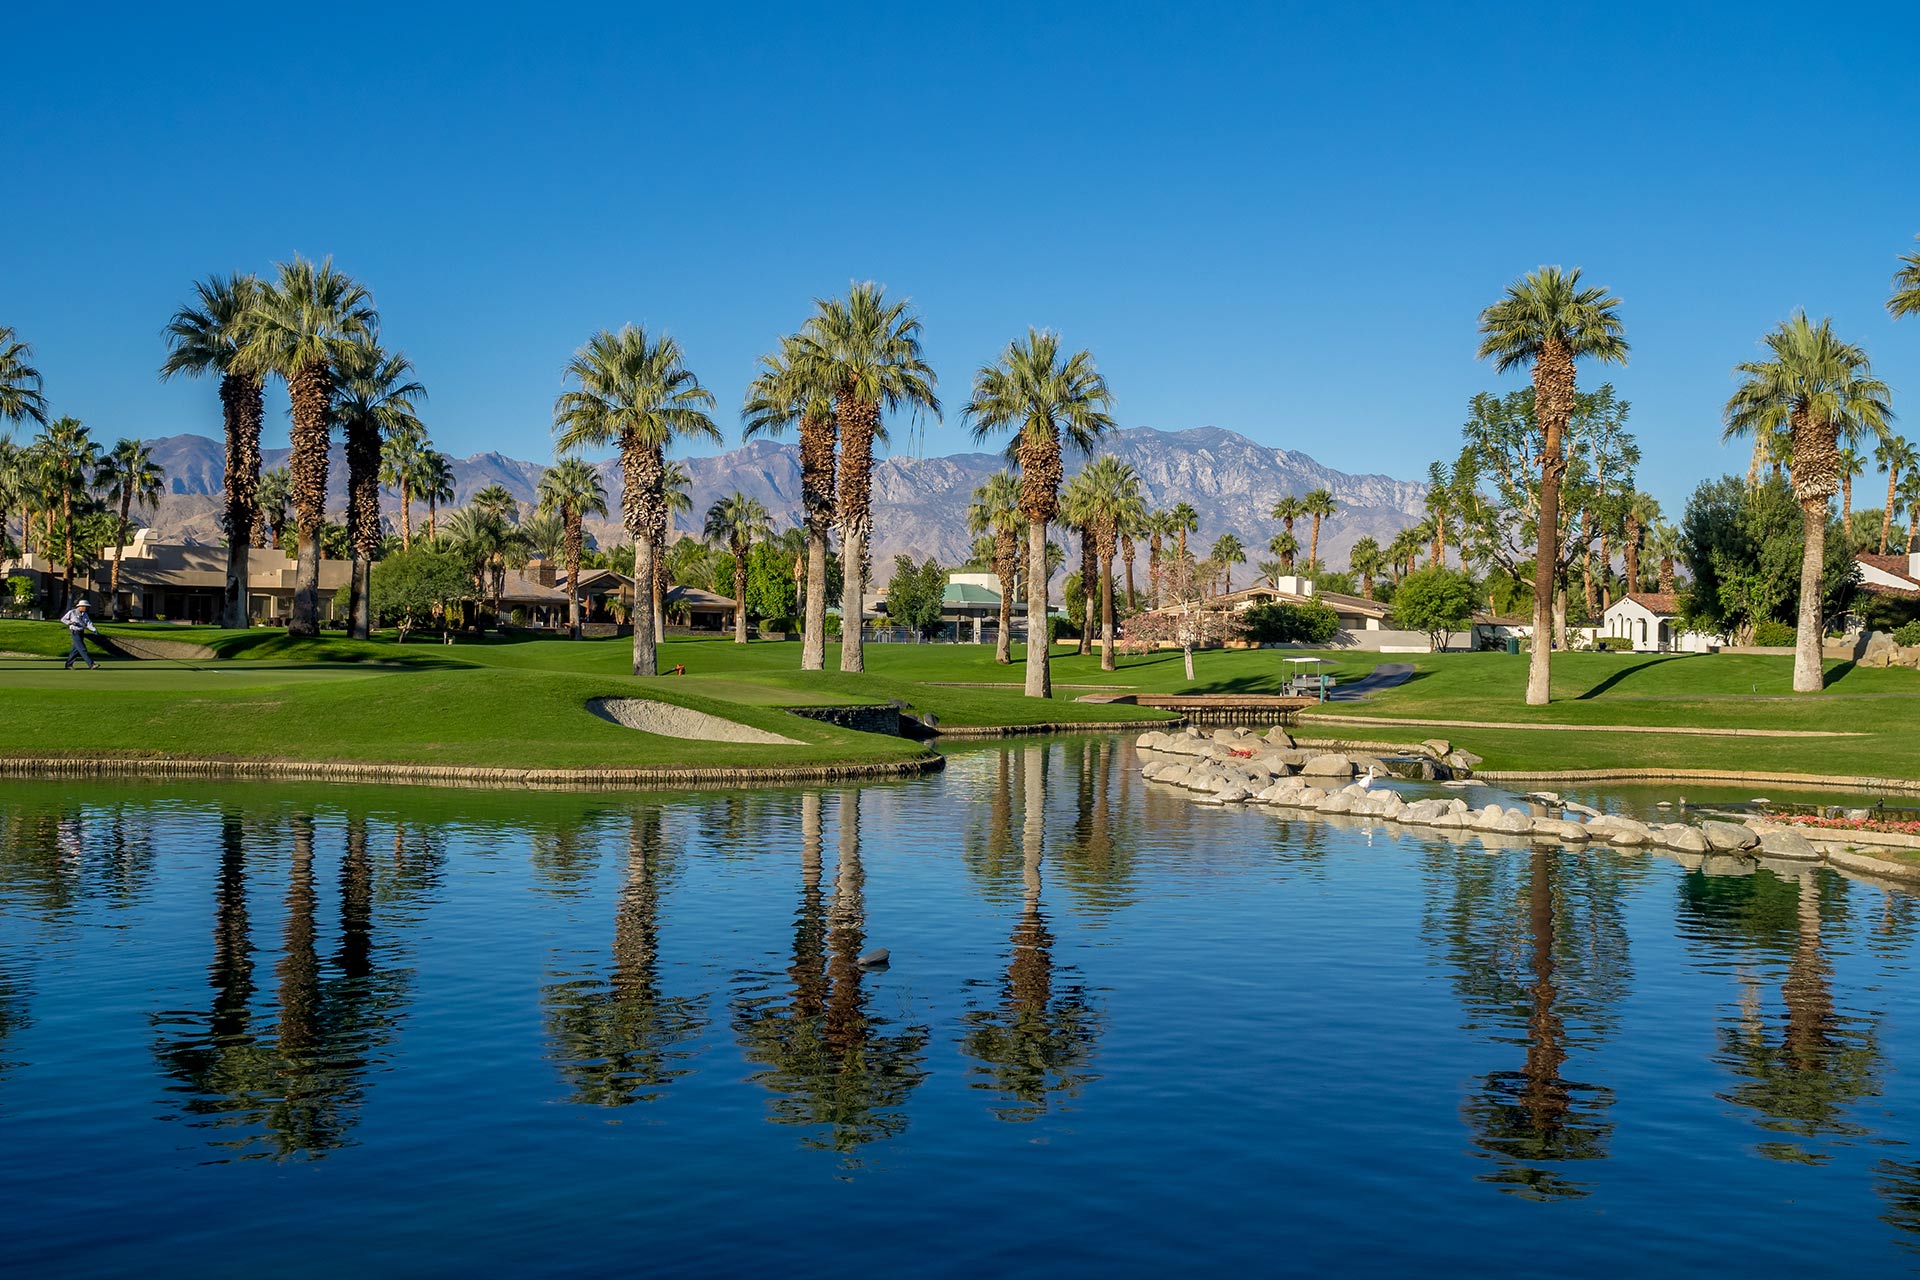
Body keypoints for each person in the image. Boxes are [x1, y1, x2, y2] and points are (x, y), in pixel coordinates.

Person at [60, 599, 98, 670]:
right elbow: (63, 619)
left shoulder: (85, 614)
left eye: (87, 607)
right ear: (80, 606)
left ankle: (68, 664)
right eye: (85, 606)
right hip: (75, 632)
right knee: (82, 648)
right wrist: (70, 623)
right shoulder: (72, 612)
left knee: (75, 650)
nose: (86, 608)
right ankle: (91, 664)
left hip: (81, 632)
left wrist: (94, 629)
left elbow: (88, 623)